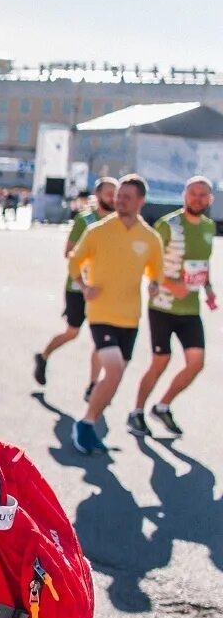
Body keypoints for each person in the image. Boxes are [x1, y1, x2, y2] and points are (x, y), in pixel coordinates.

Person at [66, 174, 164, 454]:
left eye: (127, 197)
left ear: (140, 201)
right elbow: (74, 262)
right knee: (115, 369)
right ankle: (84, 424)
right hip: (101, 313)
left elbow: (155, 272)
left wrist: (155, 285)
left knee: (115, 377)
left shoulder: (150, 237)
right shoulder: (98, 231)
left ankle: (89, 424)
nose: (120, 200)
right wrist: (85, 286)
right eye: (118, 195)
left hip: (130, 317)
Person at [129, 176, 216, 437]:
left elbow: (203, 263)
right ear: (184, 195)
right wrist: (169, 283)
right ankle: (136, 412)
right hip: (163, 307)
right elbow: (148, 264)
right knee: (160, 362)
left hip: (190, 308)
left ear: (210, 199)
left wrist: (209, 288)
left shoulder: (209, 227)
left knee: (196, 362)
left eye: (203, 194)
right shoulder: (169, 226)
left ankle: (163, 405)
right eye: (193, 193)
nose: (197, 198)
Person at [34, 177, 116, 396]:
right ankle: (43, 356)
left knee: (102, 337)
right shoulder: (85, 220)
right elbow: (68, 252)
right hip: (79, 288)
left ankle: (92, 385)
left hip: (105, 290)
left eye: (115, 193)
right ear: (98, 195)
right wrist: (90, 262)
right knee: (72, 332)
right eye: (109, 193)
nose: (113, 197)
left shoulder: (119, 223)